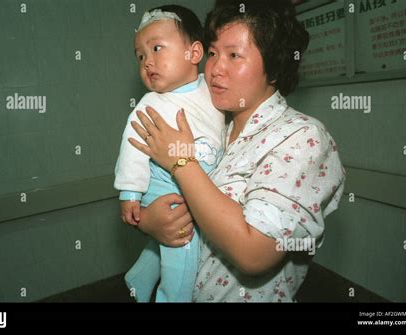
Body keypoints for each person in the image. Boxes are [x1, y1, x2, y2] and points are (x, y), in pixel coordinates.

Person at [128, 0, 346, 302]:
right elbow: (167, 195)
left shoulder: (302, 137)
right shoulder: (215, 126)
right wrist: (149, 223)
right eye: (213, 53)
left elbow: (254, 252)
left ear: (274, 66)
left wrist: (181, 161)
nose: (216, 68)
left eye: (234, 55)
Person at [114, 5, 225, 302]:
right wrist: (129, 192)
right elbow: (132, 147)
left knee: (165, 239)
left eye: (157, 49)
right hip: (165, 188)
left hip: (195, 182)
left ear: (194, 53)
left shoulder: (211, 91)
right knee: (183, 247)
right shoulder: (151, 104)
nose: (148, 62)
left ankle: (140, 276)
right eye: (141, 56)